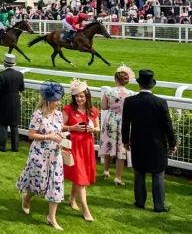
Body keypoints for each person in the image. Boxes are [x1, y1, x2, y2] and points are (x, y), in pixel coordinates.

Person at [122, 70, 176, 213]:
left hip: (138, 142)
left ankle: (140, 201)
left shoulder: (130, 101)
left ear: (139, 85)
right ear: (152, 85)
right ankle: (159, 205)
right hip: (157, 144)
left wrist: (125, 141)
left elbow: (125, 124)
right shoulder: (160, 102)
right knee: (158, 174)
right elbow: (168, 125)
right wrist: (173, 143)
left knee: (139, 172)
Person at [17, 80, 66, 231]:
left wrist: (61, 137)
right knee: (39, 182)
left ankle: (51, 217)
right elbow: (31, 135)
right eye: (56, 100)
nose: (58, 103)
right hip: (39, 154)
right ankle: (26, 199)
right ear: (48, 100)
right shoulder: (38, 114)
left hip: (55, 154)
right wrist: (48, 137)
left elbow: (59, 130)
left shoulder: (58, 115)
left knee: (55, 185)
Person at [62, 79, 99, 221]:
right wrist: (73, 128)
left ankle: (72, 198)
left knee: (79, 176)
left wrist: (93, 129)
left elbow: (98, 128)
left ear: (87, 96)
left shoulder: (93, 110)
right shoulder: (68, 109)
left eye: (82, 96)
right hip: (73, 146)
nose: (79, 99)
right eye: (77, 96)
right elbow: (60, 126)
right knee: (80, 177)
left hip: (87, 146)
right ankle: (85, 209)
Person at [100, 65, 136, 185]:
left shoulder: (109, 91)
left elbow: (103, 107)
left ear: (115, 79)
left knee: (109, 144)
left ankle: (106, 170)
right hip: (124, 121)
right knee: (121, 148)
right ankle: (118, 177)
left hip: (111, 120)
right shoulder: (131, 93)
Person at [0, 54, 25, 152]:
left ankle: (2, 146)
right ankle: (15, 147)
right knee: (14, 125)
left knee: (3, 124)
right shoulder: (20, 75)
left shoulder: (0, 75)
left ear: (4, 64)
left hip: (4, 101)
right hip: (15, 101)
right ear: (14, 64)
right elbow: (22, 89)